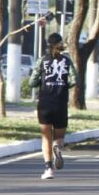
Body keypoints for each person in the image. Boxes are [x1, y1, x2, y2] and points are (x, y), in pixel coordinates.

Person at [29, 32, 76, 180]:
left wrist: (42, 82)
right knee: (59, 137)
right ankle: (57, 147)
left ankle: (48, 169)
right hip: (60, 104)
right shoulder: (67, 61)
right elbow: (75, 80)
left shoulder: (41, 61)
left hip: (44, 104)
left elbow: (32, 82)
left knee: (45, 138)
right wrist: (63, 85)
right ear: (60, 45)